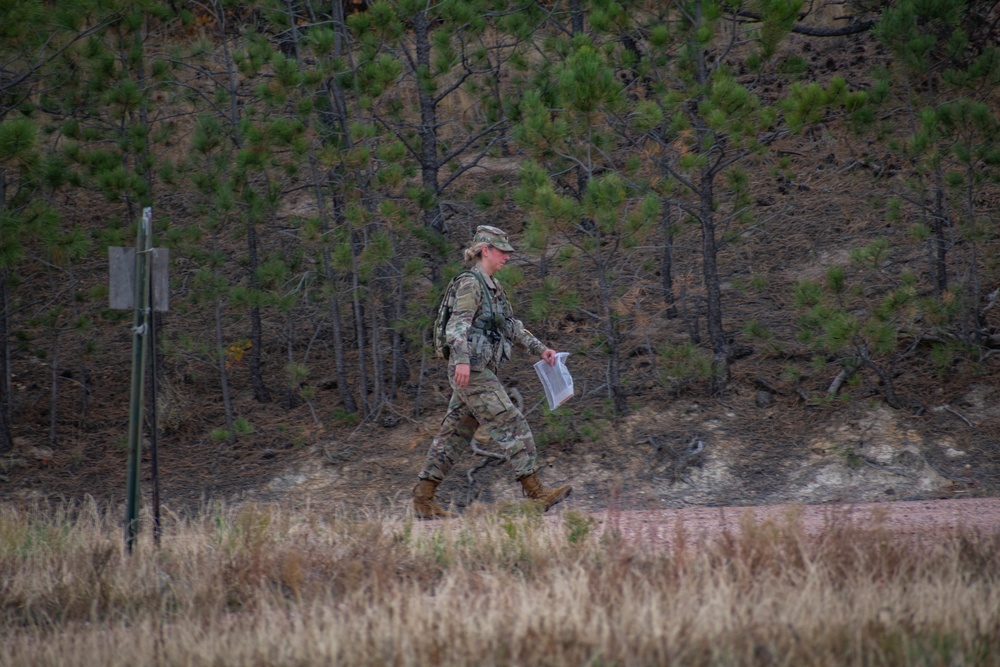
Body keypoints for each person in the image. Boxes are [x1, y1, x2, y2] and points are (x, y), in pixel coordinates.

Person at [413, 225, 572, 519]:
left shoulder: (493, 289)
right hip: (470, 371)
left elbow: (511, 326)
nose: (507, 257)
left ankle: (423, 499)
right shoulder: (470, 284)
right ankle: (537, 493)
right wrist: (460, 360)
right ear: (485, 250)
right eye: (502, 251)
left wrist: (541, 349)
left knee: (454, 435)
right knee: (511, 421)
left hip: (476, 369)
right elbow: (456, 326)